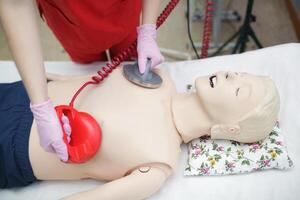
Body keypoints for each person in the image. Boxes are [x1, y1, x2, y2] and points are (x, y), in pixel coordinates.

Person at [0, 66, 280, 199]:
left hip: (10, 148)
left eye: (241, 90)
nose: (232, 76)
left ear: (230, 128)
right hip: (25, 92)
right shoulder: (156, 75)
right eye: (240, 73)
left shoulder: (156, 165)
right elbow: (87, 81)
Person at [0, 0, 164, 162]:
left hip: (125, 14)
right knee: (86, 61)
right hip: (72, 23)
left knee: (131, 58)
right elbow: (15, 4)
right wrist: (40, 105)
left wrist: (147, 30)